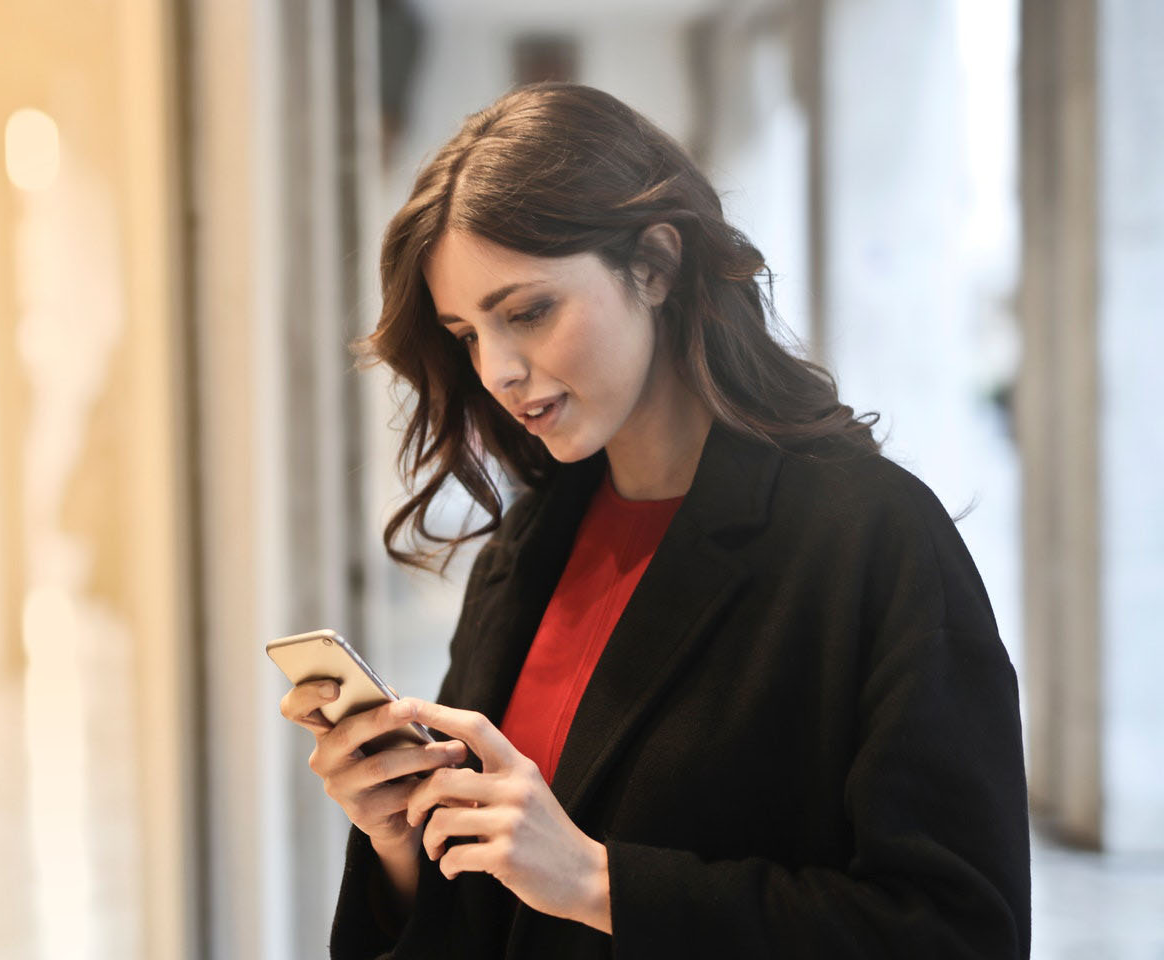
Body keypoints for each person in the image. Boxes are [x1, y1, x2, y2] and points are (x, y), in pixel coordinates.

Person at [280, 83, 1030, 958]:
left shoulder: (869, 538)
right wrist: (400, 843)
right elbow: (489, 906)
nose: (499, 370)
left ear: (656, 264)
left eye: (527, 312)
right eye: (467, 333)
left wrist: (601, 883)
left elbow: (958, 933)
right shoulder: (528, 549)